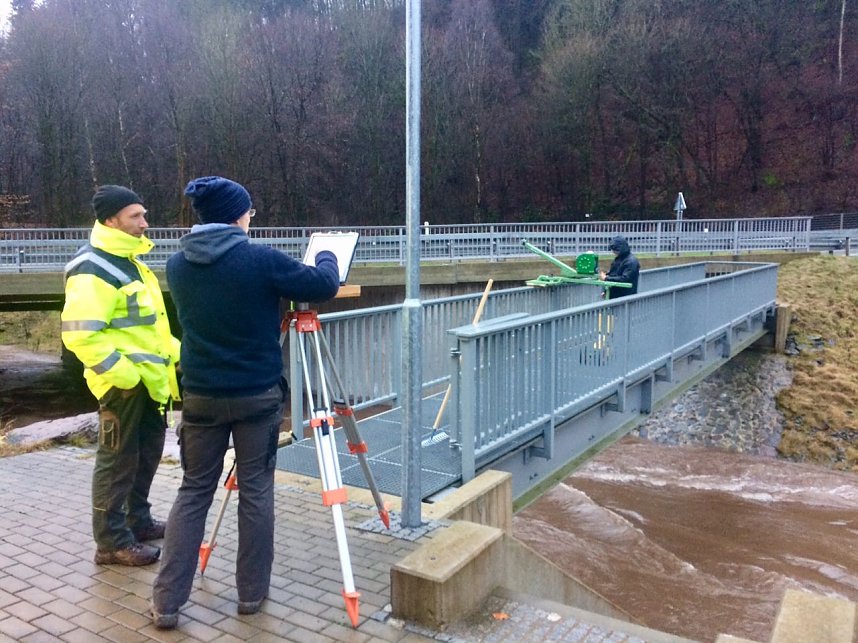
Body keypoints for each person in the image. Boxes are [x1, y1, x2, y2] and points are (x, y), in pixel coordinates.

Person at [151, 176, 340, 629]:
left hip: (199, 394)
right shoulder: (259, 259)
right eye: (250, 213)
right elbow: (321, 284)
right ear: (238, 215)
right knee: (255, 491)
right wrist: (329, 253)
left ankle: (166, 602)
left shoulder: (177, 266)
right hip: (256, 395)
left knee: (194, 491)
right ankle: (251, 596)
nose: (251, 220)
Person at [61, 185, 181, 566]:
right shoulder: (94, 266)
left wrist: (183, 356)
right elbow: (80, 334)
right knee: (116, 461)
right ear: (111, 219)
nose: (145, 224)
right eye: (136, 216)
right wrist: (125, 376)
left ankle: (137, 521)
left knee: (145, 456)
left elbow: (152, 330)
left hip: (149, 382)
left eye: (144, 215)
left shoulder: (131, 262)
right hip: (124, 386)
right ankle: (111, 542)